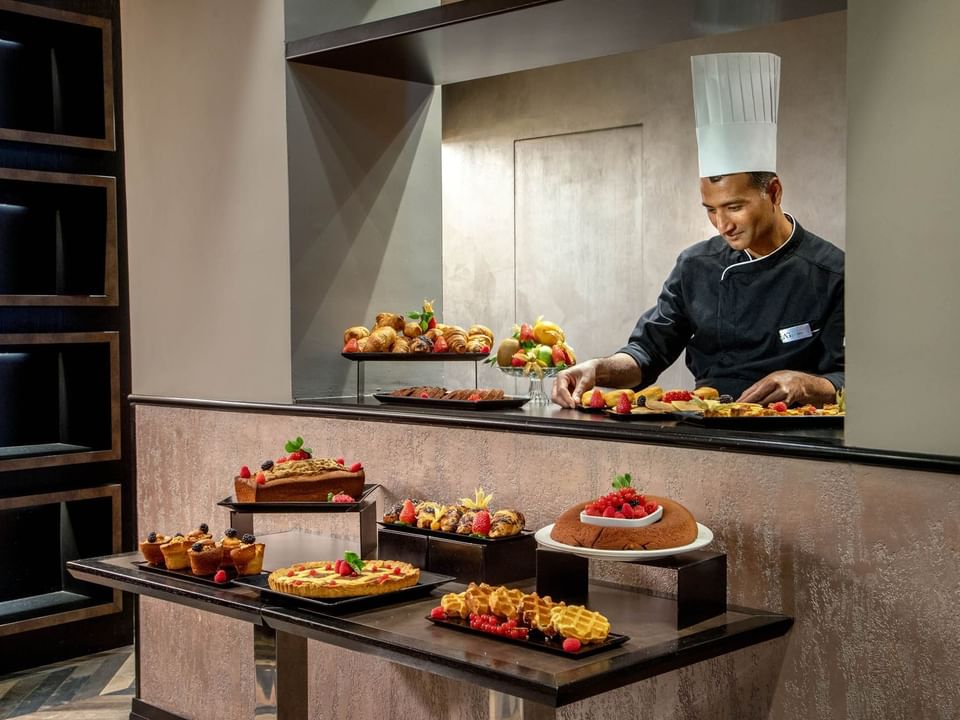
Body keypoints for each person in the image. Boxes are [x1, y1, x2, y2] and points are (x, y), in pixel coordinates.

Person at [552, 52, 844, 409]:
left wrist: (810, 384)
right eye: (711, 210)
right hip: (705, 427)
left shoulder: (832, 273)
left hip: (796, 437)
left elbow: (857, 378)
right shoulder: (695, 265)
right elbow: (646, 353)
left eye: (734, 207)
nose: (723, 225)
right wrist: (599, 369)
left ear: (773, 192)